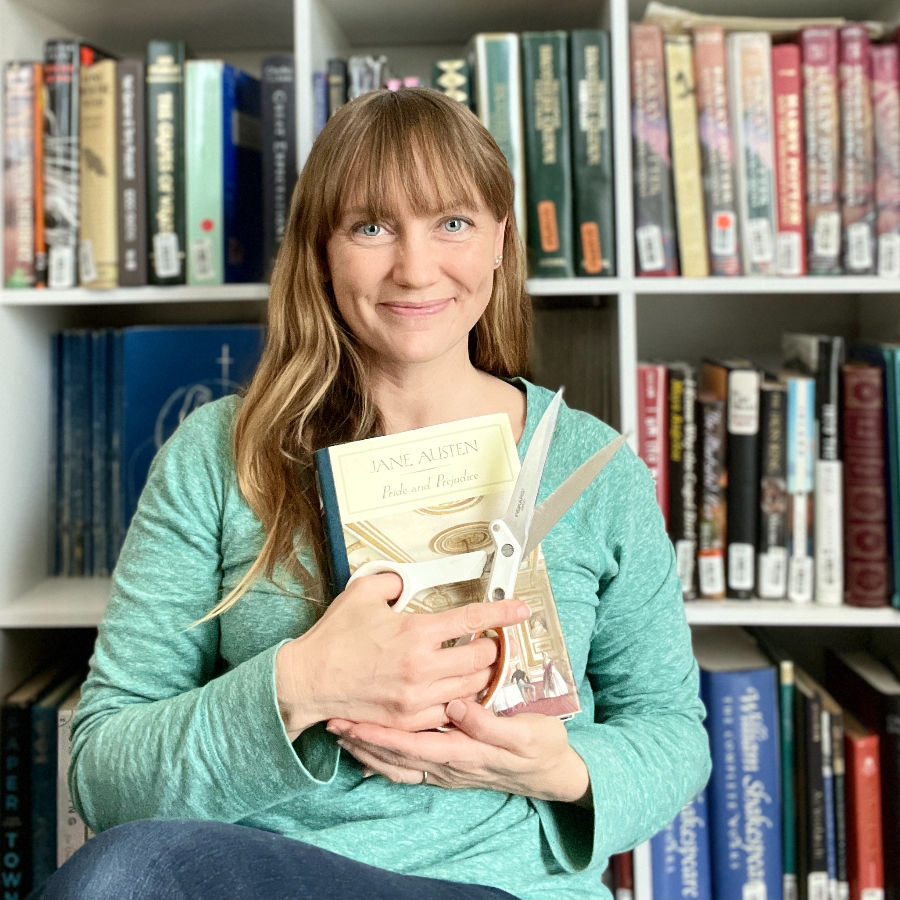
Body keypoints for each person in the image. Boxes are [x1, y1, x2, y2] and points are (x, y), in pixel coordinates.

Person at [36, 87, 710, 900]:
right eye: (371, 227)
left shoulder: (591, 466)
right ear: (321, 251)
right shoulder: (218, 455)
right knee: (122, 876)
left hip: (505, 887)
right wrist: (301, 684)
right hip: (266, 880)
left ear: (501, 239)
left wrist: (561, 768)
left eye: (452, 222)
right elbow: (103, 777)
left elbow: (674, 737)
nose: (416, 269)